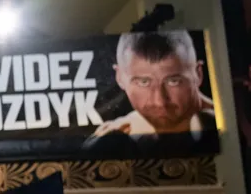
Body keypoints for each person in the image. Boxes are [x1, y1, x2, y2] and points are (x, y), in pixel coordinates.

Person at [88, 31, 216, 147]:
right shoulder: (119, 131)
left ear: (198, 74)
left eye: (173, 81)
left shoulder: (219, 123)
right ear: (119, 77)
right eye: (143, 82)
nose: (159, 102)